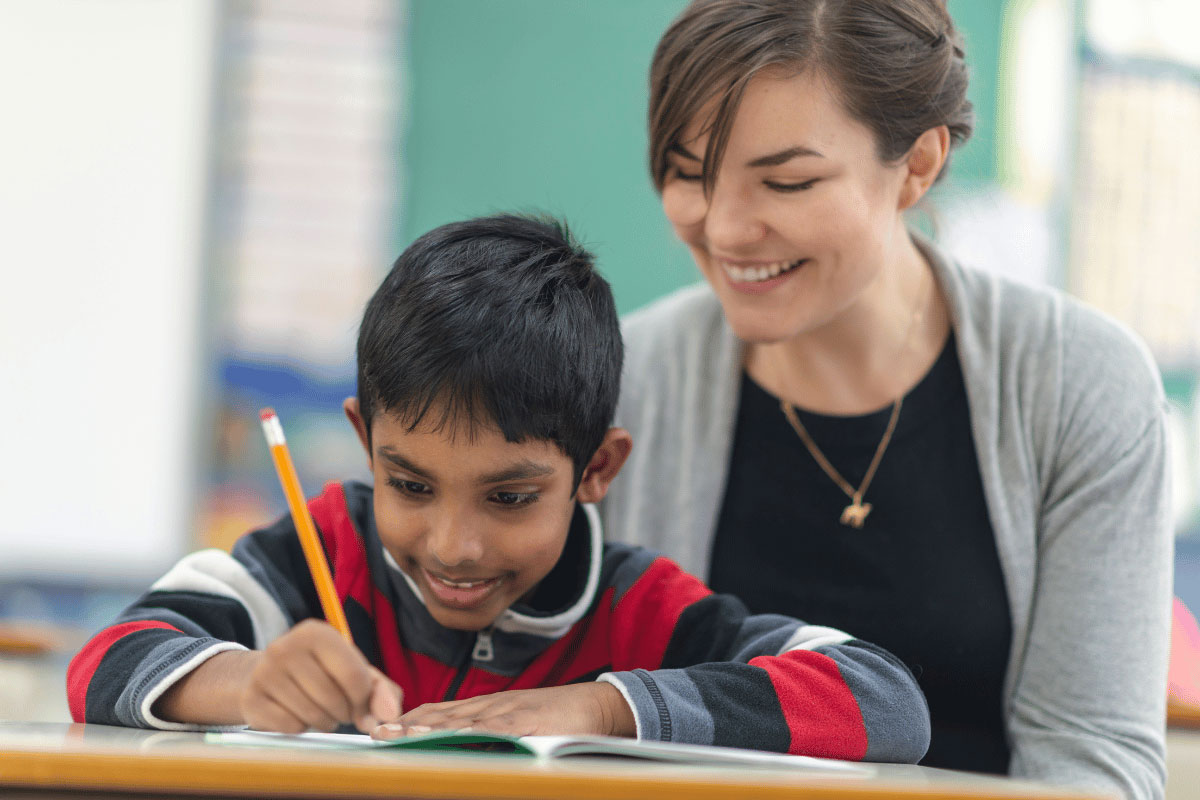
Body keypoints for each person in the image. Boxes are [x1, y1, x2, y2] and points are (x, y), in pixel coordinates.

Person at [66, 214, 930, 762]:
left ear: (597, 469)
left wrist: (601, 707)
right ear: (366, 445)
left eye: (509, 497)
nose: (453, 546)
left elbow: (885, 703)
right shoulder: (322, 552)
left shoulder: (640, 610)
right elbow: (107, 659)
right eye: (409, 483)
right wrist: (249, 685)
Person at [599, 1, 1172, 798]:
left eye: (786, 181)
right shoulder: (627, 382)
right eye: (690, 173)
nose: (724, 228)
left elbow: (1095, 764)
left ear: (919, 164)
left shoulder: (1079, 383)